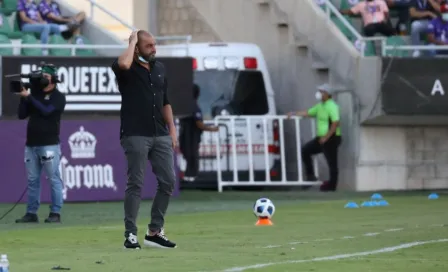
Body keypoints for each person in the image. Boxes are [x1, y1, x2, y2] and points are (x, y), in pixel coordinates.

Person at [112, 30, 177, 249]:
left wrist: (172, 130)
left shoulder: (159, 68)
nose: (154, 49)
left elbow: (165, 101)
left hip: (160, 133)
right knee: (136, 183)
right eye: (148, 45)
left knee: (168, 181)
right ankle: (130, 234)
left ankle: (154, 231)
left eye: (155, 44)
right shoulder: (126, 67)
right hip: (135, 133)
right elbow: (122, 64)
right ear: (137, 48)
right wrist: (131, 42)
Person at [15, 64, 66, 224]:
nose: (42, 78)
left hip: (49, 144)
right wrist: (24, 98)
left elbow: (47, 111)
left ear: (53, 79)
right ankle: (31, 212)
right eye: (41, 75)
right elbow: (22, 115)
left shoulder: (58, 97)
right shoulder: (35, 94)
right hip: (31, 144)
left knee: (53, 178)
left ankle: (55, 212)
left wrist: (29, 97)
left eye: (46, 75)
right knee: (32, 180)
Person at [287, 84, 342, 192]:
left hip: (331, 138)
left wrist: (326, 138)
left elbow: (335, 123)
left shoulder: (332, 106)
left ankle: (332, 186)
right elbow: (307, 112)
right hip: (321, 138)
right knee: (305, 150)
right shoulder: (320, 106)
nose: (319, 93)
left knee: (332, 163)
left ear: (327, 94)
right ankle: (310, 175)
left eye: (321, 91)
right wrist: (293, 113)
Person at [179, 84, 219, 182]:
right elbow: (199, 124)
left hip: (185, 137)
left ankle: (188, 176)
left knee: (189, 156)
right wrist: (213, 129)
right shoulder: (194, 107)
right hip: (191, 137)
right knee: (192, 156)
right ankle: (192, 177)